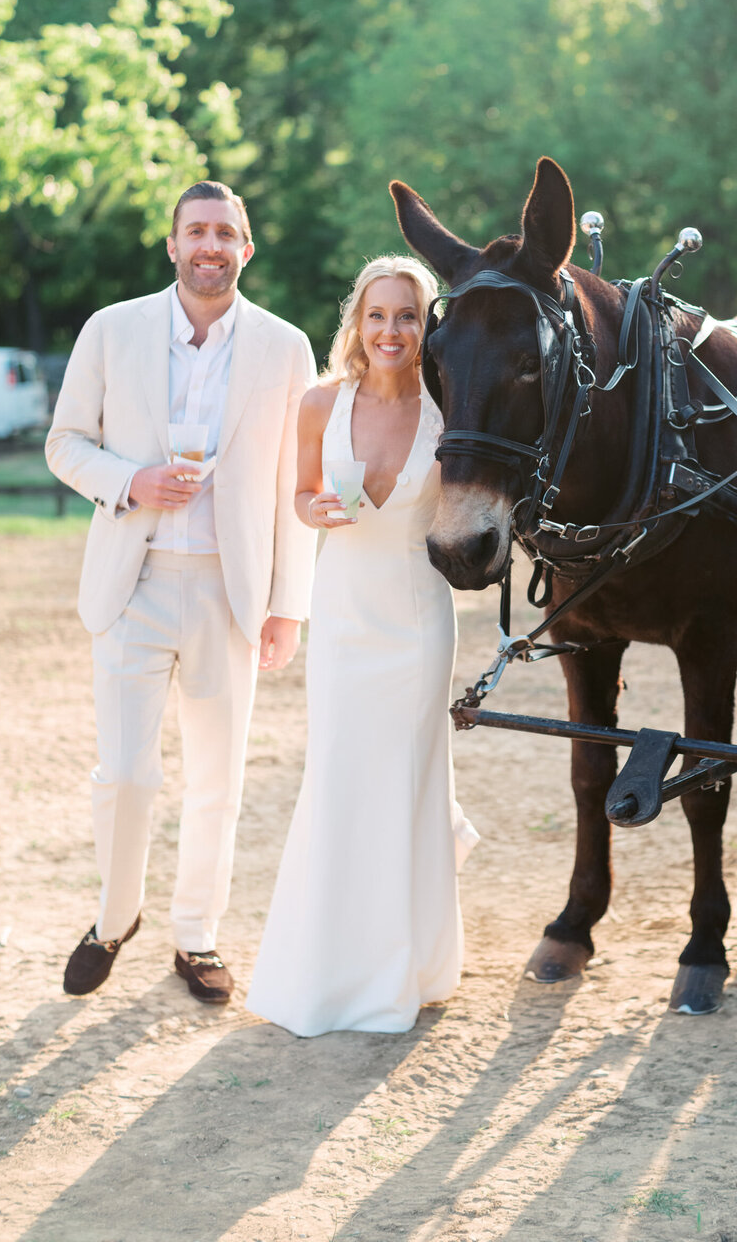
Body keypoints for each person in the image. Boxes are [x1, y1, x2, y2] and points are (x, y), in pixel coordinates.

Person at [46, 180, 317, 1004]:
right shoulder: (111, 329)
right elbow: (64, 444)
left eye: (225, 233)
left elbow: (289, 488)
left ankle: (195, 936)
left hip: (230, 596)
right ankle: (114, 915)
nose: (210, 246)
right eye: (195, 231)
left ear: (246, 249)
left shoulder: (285, 347)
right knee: (126, 775)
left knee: (217, 781)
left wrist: (287, 604)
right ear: (171, 246)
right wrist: (133, 480)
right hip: (132, 583)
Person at [247, 255, 477, 1037]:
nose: (391, 331)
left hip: (418, 617)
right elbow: (302, 499)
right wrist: (316, 509)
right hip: (344, 613)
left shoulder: (451, 411)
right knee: (343, 776)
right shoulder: (320, 402)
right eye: (378, 316)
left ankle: (403, 972)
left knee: (407, 784)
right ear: (359, 321)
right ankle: (325, 967)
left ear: (426, 327)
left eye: (407, 316)